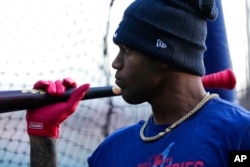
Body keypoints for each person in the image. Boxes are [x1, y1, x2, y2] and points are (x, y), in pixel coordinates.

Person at [26, 0, 250, 166]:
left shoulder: (239, 134)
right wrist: (42, 134)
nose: (115, 63)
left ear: (165, 56)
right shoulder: (110, 152)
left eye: (126, 51)